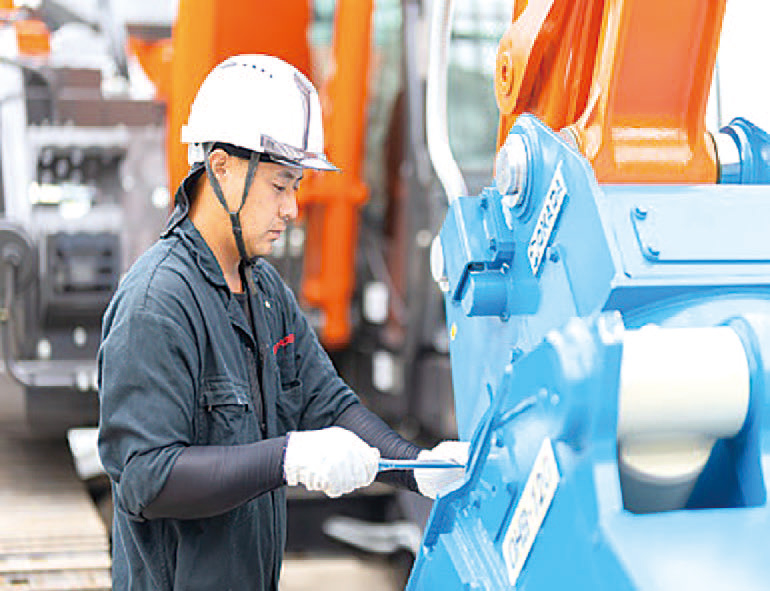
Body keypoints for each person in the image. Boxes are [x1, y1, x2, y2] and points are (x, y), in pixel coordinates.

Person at [97, 54, 468, 591]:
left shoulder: (264, 292)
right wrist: (286, 459)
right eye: (279, 185)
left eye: (295, 185)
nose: (292, 208)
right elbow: (145, 478)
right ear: (220, 167)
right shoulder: (157, 304)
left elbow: (328, 403)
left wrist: (419, 468)